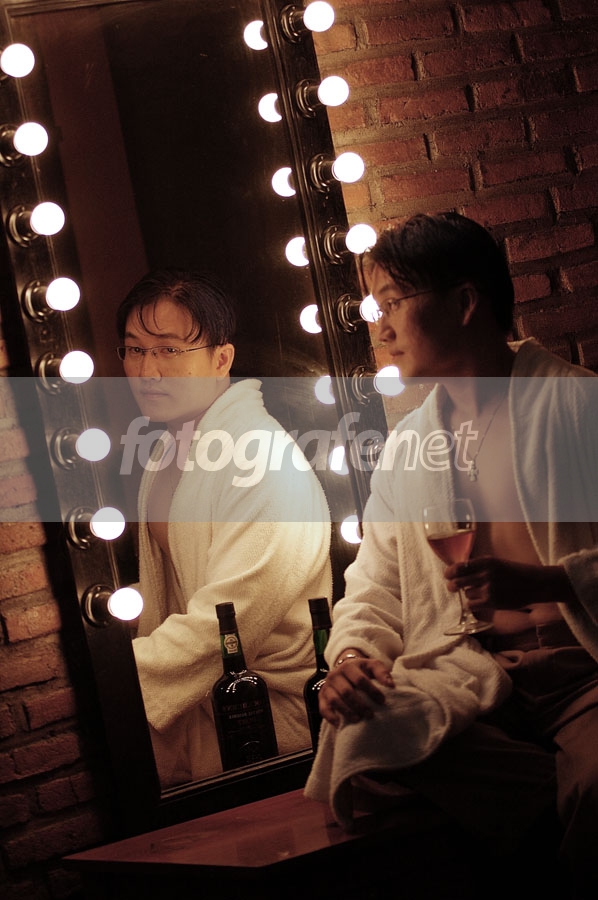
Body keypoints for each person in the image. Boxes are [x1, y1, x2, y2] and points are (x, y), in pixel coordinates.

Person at [304, 212, 598, 895]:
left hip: (582, 671)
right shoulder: (410, 446)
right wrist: (350, 660)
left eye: (394, 304)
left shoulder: (579, 407)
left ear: (466, 302)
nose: (380, 329)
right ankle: (555, 805)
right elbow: (374, 586)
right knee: (366, 733)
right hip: (475, 670)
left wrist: (552, 582)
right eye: (375, 309)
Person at [116, 267, 332, 787]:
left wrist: (118, 681)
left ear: (222, 358)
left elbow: (229, 621)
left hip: (267, 714)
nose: (147, 369)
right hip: (199, 700)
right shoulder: (166, 453)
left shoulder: (264, 461)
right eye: (134, 349)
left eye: (169, 350)